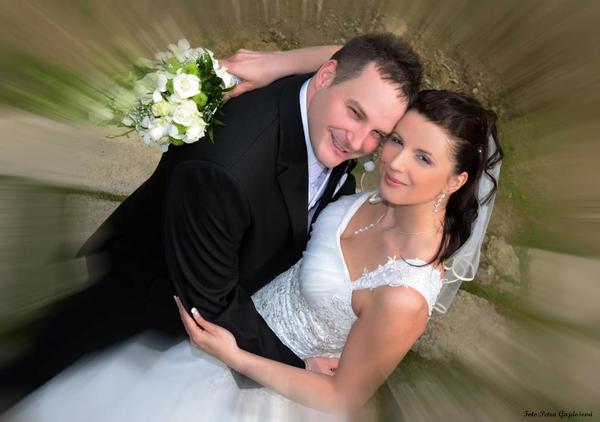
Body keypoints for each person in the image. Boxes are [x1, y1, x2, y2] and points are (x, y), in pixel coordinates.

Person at [3, 86, 503, 420]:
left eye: (423, 157)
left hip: (265, 389)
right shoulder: (375, 199)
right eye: (396, 140)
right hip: (234, 328)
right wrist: (269, 66)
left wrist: (235, 356)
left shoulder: (404, 295)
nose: (393, 162)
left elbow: (343, 398)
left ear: (456, 180)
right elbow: (359, 65)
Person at [0, 33, 422, 399]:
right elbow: (211, 304)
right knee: (64, 363)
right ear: (326, 76)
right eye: (355, 113)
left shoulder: (339, 101)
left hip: (228, 272)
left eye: (378, 134)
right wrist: (295, 368)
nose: (358, 143)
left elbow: (359, 60)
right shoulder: (226, 171)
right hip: (156, 291)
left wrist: (280, 61)